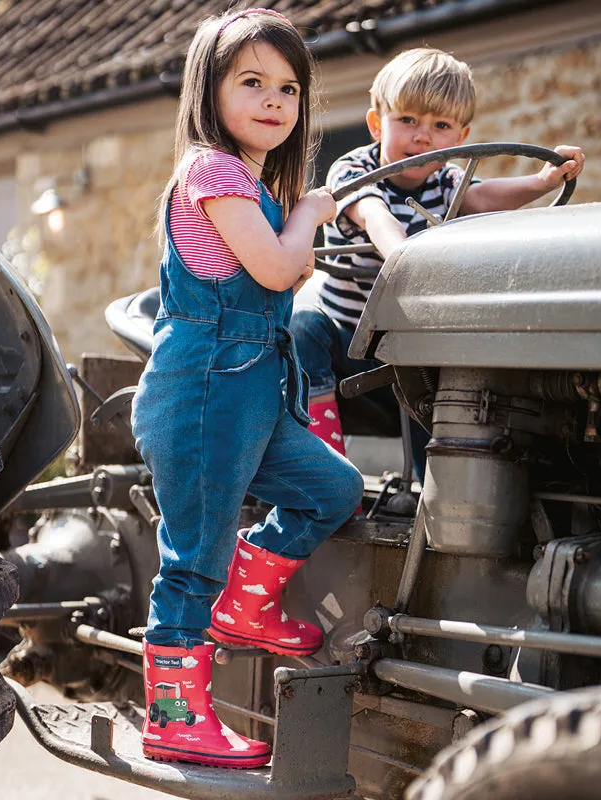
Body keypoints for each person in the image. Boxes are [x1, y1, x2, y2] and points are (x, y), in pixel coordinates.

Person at [131, 7, 364, 768]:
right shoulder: (211, 170)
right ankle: (171, 714)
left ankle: (245, 602)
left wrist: (298, 216)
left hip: (253, 394)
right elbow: (274, 269)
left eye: (289, 89)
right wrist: (310, 214)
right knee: (192, 555)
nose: (274, 101)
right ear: (211, 92)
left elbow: (279, 268)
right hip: (204, 391)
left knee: (331, 487)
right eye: (253, 82)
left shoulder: (255, 182)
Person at [292, 47, 585, 466]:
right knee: (303, 326)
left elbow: (482, 197)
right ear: (377, 124)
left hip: (412, 349)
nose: (422, 136)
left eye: (440, 125)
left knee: (439, 358)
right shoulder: (353, 170)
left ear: (460, 138)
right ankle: (321, 464)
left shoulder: (447, 178)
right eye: (407, 120)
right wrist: (405, 255)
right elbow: (375, 215)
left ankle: (440, 493)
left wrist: (542, 181)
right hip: (349, 350)